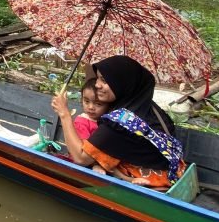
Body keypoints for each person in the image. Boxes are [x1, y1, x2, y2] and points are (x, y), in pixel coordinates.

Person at [51, 55, 185, 188]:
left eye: (104, 80)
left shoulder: (120, 123)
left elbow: (80, 159)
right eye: (98, 78)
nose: (97, 84)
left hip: (154, 182)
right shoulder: (146, 105)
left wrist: (64, 114)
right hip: (175, 171)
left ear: (122, 83)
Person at [72, 78, 108, 143]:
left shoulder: (107, 120)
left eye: (98, 104)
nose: (90, 107)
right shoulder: (81, 122)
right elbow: (84, 148)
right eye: (86, 101)